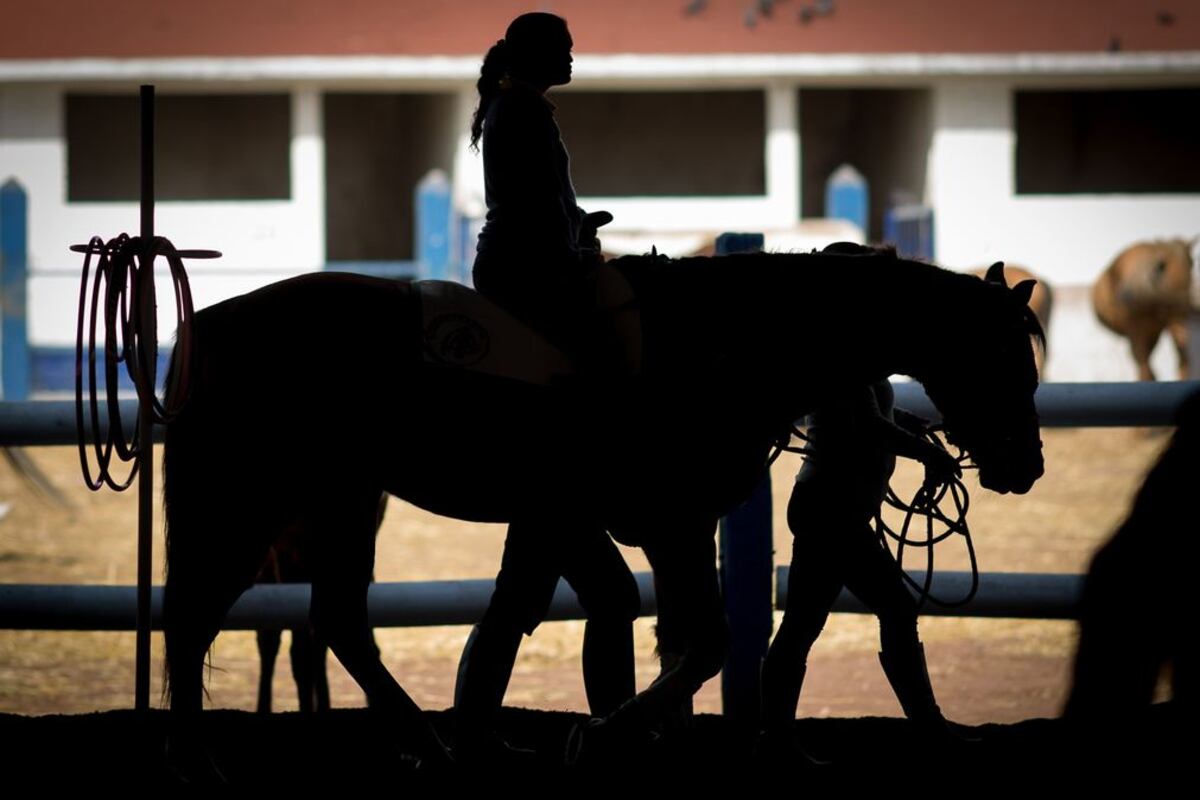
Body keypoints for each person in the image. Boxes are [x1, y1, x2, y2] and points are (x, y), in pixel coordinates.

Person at [453, 12, 639, 762]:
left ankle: (489, 735)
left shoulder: (516, 107)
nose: (573, 54)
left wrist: (578, 226)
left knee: (554, 599)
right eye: (563, 47)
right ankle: (612, 738)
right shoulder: (522, 111)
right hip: (528, 272)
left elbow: (546, 206)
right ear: (537, 55)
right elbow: (534, 211)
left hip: (522, 261)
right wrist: (577, 250)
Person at [760, 378, 968, 760]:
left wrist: (905, 420)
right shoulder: (846, 363)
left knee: (805, 625)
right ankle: (928, 727)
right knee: (889, 610)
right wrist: (928, 453)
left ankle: (776, 737)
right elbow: (867, 423)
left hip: (833, 510)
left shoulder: (855, 362)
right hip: (833, 512)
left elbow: (870, 412)